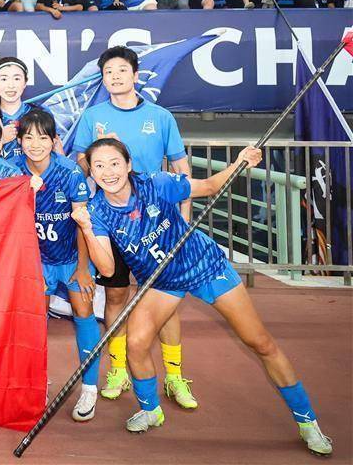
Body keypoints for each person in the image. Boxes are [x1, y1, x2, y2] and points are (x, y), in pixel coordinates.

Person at [74, 139, 333, 456]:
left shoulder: (156, 183)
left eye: (115, 163)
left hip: (204, 265)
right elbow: (107, 268)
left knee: (260, 342)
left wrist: (239, 163)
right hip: (162, 279)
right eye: (99, 166)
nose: (108, 172)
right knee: (136, 344)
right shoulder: (97, 211)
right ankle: (150, 410)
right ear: (91, 172)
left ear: (128, 165)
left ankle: (307, 422)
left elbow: (209, 186)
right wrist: (87, 229)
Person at [69, 46, 196, 409]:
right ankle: (118, 369)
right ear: (103, 78)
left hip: (157, 221)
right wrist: (100, 158)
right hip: (112, 220)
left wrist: (184, 219)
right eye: (108, 72)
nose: (115, 77)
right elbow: (81, 161)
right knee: (116, 297)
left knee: (165, 301)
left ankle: (174, 376)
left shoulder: (160, 117)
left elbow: (181, 169)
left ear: (136, 75)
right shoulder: (93, 116)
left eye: (122, 70)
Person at [15, 109, 99, 423]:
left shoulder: (70, 172)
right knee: (36, 324)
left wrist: (83, 267)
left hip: (71, 258)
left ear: (54, 141)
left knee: (84, 314)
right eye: (28, 137)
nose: (35, 144)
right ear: (19, 141)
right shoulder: (14, 170)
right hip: (36, 261)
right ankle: (38, 385)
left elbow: (81, 222)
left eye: (42, 137)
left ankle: (89, 388)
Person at [0, 57, 30, 162]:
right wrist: (0, 140)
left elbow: (56, 155)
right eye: (4, 79)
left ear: (25, 82)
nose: (11, 85)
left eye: (17, 79)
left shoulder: (39, 113)